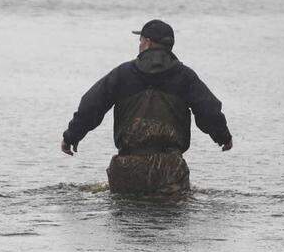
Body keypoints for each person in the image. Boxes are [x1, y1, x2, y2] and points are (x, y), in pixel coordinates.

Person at [61, 20, 233, 197]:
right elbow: (209, 110)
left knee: (128, 220)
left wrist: (71, 136)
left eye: (141, 40)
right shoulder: (185, 76)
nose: (140, 44)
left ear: (148, 42)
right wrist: (223, 137)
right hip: (169, 171)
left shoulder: (123, 74)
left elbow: (91, 106)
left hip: (127, 170)